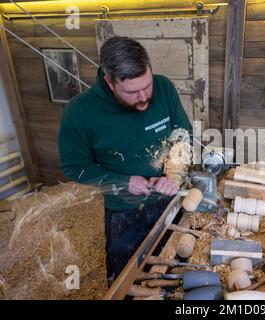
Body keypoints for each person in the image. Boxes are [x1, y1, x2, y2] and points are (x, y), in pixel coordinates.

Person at [58, 36, 192, 283]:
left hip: (167, 199)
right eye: (132, 92)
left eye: (147, 85)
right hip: (123, 209)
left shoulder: (163, 88)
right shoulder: (79, 112)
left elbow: (181, 135)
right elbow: (74, 167)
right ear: (109, 82)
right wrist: (121, 181)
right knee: (126, 277)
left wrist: (174, 175)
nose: (144, 97)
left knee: (173, 268)